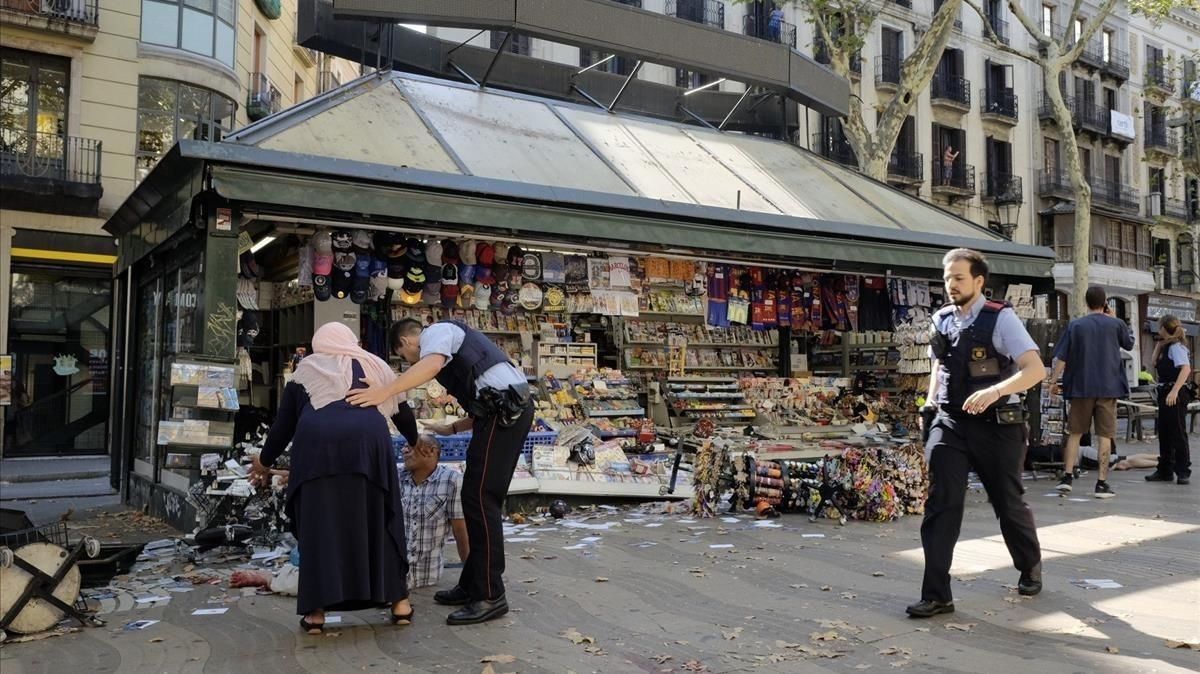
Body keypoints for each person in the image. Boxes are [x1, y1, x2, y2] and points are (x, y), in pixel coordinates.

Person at [348, 318, 534, 625]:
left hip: (506, 415)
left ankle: (490, 595)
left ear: (407, 343)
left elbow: (432, 364)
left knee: (480, 498)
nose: (410, 362)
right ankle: (474, 584)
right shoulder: (452, 351)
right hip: (500, 413)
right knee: (474, 498)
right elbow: (486, 394)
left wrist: (385, 391)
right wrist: (454, 427)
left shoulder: (437, 333)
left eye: (404, 357)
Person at [252, 322, 412, 634]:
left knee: (320, 527)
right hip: (369, 450)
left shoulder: (307, 369)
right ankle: (400, 604)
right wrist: (416, 440)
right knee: (379, 520)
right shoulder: (374, 364)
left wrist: (264, 462)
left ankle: (316, 614)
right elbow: (402, 413)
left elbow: (283, 426)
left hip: (317, 451)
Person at [910, 248, 1045, 618]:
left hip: (998, 426)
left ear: (979, 281)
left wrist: (995, 391)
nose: (951, 284)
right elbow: (939, 365)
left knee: (1007, 501)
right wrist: (929, 403)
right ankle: (937, 594)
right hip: (950, 423)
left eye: (958, 278)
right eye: (947, 278)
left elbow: (1036, 370)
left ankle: (1029, 565)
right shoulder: (941, 320)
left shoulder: (1001, 319)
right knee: (941, 505)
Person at [1049, 286, 1133, 498]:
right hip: (1108, 386)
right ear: (1105, 303)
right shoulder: (1116, 324)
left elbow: (1062, 357)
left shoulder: (1075, 325)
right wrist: (1114, 318)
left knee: (1075, 433)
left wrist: (1052, 382)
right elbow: (1129, 344)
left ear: (1086, 302)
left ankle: (1067, 477)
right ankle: (1101, 483)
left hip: (1081, 386)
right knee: (1105, 435)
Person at [398, 435, 470, 590]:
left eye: (409, 446)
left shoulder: (452, 481)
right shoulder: (397, 477)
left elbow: (460, 531)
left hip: (427, 577)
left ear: (430, 451)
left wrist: (471, 578)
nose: (404, 450)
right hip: (393, 576)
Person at [1146, 315, 1192, 485]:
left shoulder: (1176, 347)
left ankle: (1183, 470)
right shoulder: (1166, 346)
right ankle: (1165, 469)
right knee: (1164, 432)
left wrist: (1174, 391)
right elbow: (1153, 362)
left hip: (1175, 393)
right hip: (1165, 391)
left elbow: (1185, 369)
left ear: (1165, 328)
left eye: (1160, 328)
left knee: (1177, 432)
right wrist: (1159, 344)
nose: (1158, 331)